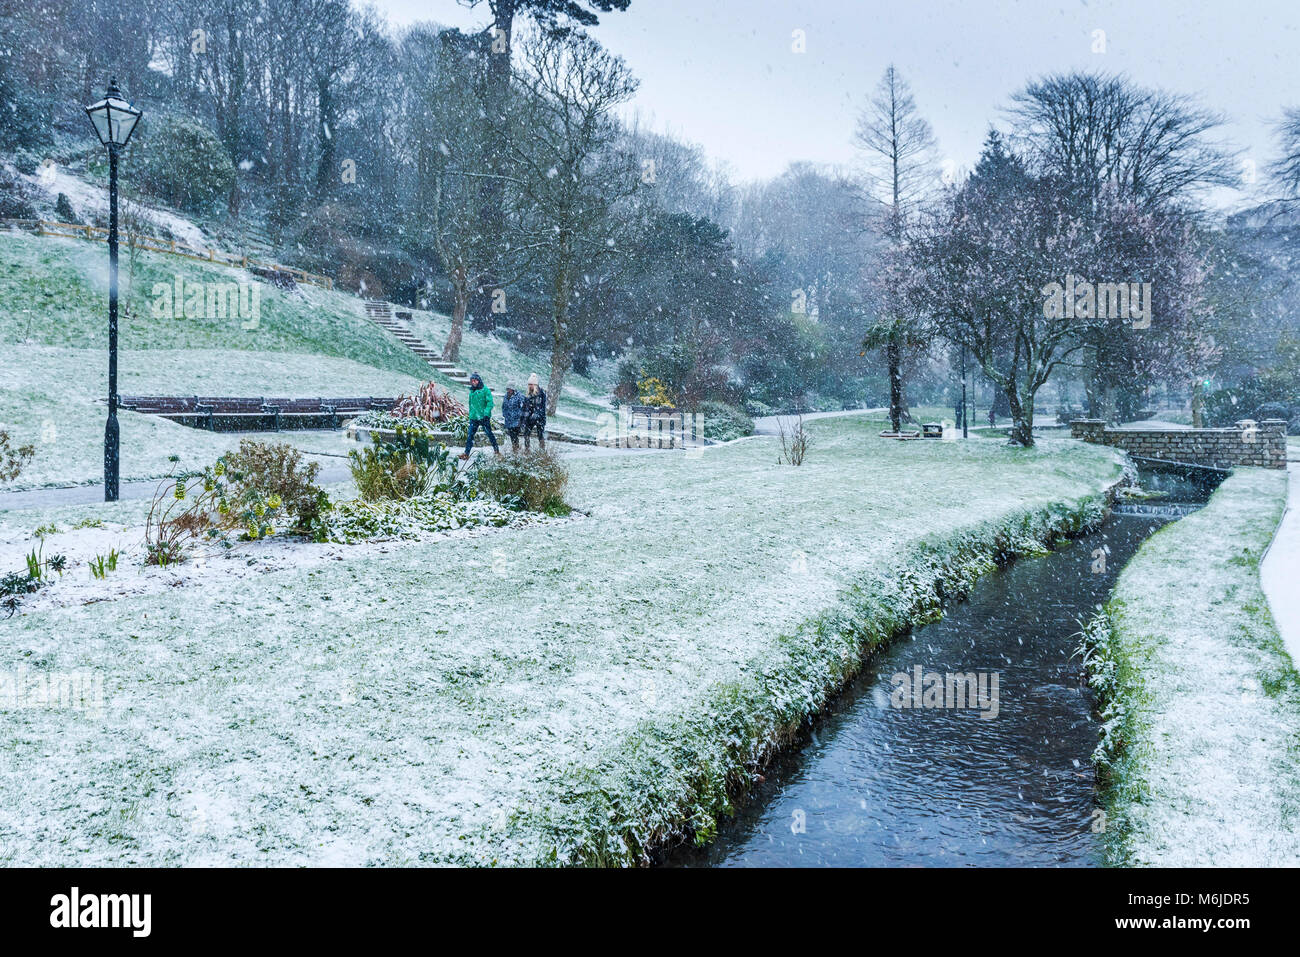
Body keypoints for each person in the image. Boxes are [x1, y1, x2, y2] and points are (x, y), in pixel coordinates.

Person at [459, 372, 500, 460]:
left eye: (475, 380)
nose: (473, 382)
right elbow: (471, 404)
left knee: (489, 434)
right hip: (474, 417)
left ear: (479, 381)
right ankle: (466, 453)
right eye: (472, 381)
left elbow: (490, 403)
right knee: (470, 435)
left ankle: (497, 451)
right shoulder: (472, 391)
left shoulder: (485, 390)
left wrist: (486, 413)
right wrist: (471, 414)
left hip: (483, 417)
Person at [522, 373, 547, 451]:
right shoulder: (528, 394)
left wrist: (537, 414)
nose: (530, 386)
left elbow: (543, 407)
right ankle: (527, 451)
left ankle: (542, 451)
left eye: (531, 384)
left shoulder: (541, 393)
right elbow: (525, 407)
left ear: (535, 384)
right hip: (530, 418)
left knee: (540, 435)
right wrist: (525, 417)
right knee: (526, 434)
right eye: (529, 384)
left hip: (539, 418)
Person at [501, 381, 525, 452]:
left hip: (516, 420)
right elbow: (504, 406)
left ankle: (516, 450)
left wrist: (519, 416)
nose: (508, 390)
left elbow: (523, 408)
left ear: (513, 389)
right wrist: (504, 414)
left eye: (509, 389)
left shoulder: (519, 396)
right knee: (512, 436)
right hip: (508, 420)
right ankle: (515, 449)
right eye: (507, 389)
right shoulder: (506, 396)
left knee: (515, 436)